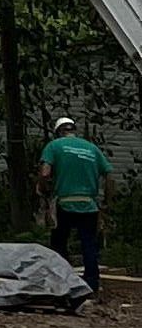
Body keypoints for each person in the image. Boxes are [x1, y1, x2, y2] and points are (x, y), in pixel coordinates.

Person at [41, 116, 110, 292]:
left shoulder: (54, 146)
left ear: (58, 132)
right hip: (89, 204)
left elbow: (45, 173)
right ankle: (92, 285)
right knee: (88, 244)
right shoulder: (92, 148)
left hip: (64, 202)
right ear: (73, 131)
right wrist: (107, 201)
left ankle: (63, 283)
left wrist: (42, 190)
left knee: (59, 243)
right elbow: (109, 174)